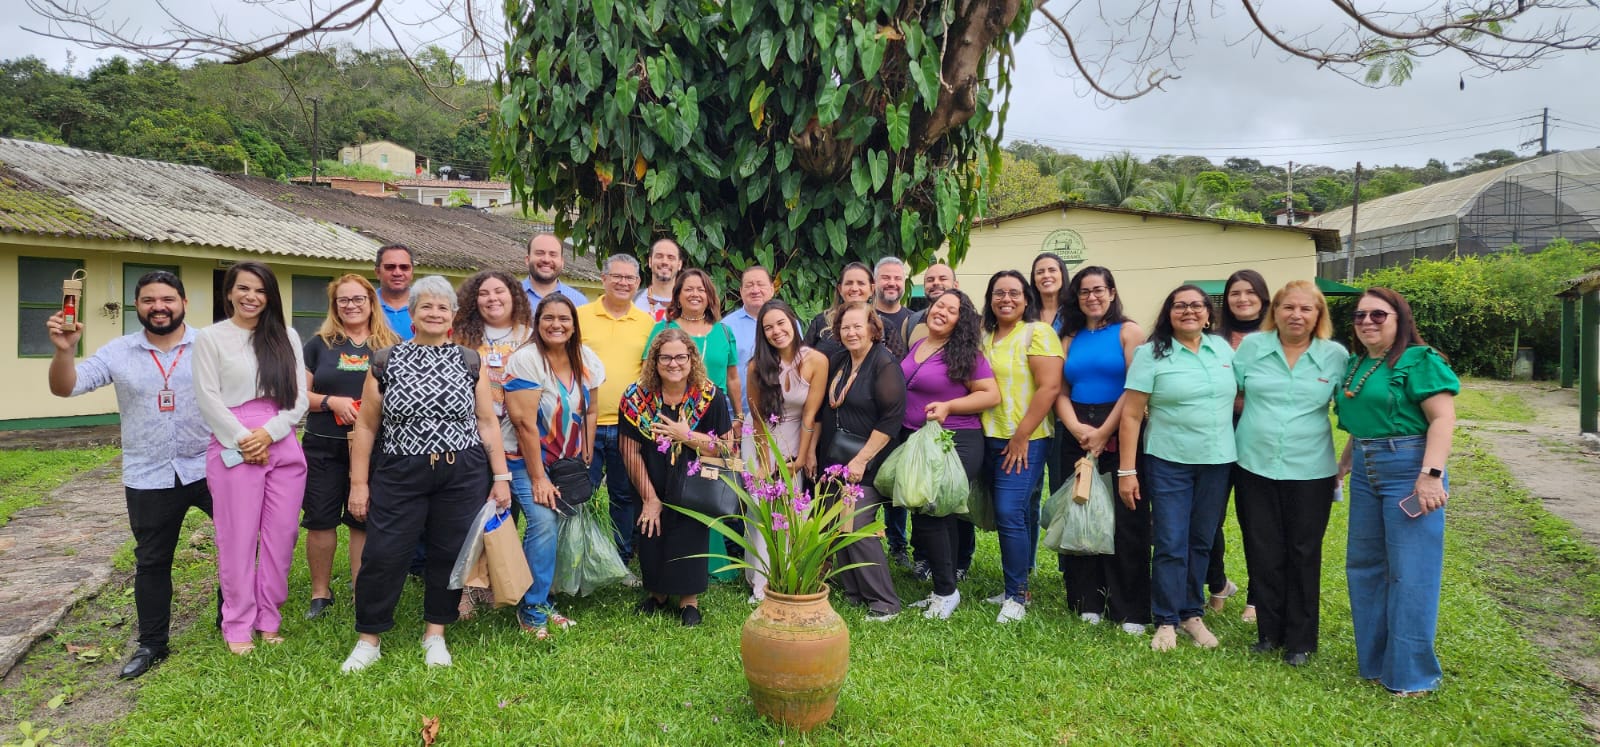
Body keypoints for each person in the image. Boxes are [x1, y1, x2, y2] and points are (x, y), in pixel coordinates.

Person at [46, 270, 217, 679]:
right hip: (149, 474)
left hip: (210, 466)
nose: (159, 307)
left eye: (167, 299)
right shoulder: (118, 352)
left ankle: (232, 618)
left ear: (184, 303)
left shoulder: (210, 347)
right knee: (153, 562)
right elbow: (65, 387)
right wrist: (65, 351)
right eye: (148, 300)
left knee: (239, 544)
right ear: (136, 306)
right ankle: (152, 644)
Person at [340, 276, 514, 672]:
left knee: (448, 554)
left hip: (462, 471)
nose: (434, 313)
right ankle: (369, 638)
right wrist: (359, 483)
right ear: (412, 315)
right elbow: (366, 426)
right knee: (384, 553)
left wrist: (500, 477)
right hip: (400, 471)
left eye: (442, 307)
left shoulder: (470, 361)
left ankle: (435, 633)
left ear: (452, 315)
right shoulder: (385, 361)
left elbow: (487, 422)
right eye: (426, 307)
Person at [1335, 287, 1459, 696]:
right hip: (1368, 470)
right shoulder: (1357, 366)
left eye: (1378, 315)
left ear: (1399, 318)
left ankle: (1411, 675)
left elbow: (1442, 419)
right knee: (1365, 566)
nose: (1367, 322)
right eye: (1359, 316)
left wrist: (1431, 475)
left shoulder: (1419, 361)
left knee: (1411, 572)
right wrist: (1345, 465)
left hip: (1409, 469)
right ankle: (1374, 663)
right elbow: (1365, 424)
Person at [192, 261, 309, 655]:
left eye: (259, 291)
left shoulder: (285, 336)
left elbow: (298, 398)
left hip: (280, 437)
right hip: (232, 441)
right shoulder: (211, 338)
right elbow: (207, 397)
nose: (251, 297)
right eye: (243, 289)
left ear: (269, 296)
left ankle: (269, 618)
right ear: (229, 293)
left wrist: (269, 433)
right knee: (238, 537)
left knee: (282, 535)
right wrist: (245, 438)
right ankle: (237, 623)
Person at [1233, 280, 1347, 667]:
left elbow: (1353, 410)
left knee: (1303, 552)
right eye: (1288, 308)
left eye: (1306, 309)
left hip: (1311, 469)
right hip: (1253, 464)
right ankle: (1269, 633)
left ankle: (1300, 640)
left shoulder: (1335, 356)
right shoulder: (1252, 348)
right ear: (1275, 311)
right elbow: (1228, 391)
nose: (1296, 315)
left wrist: (1345, 466)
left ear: (1318, 316)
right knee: (1263, 550)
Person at [1117, 285, 1236, 652]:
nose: (1189, 311)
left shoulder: (1223, 350)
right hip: (1168, 461)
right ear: (1168, 313)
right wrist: (1126, 471)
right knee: (1170, 541)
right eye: (1180, 305)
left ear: (1208, 313)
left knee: (1201, 540)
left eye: (1196, 305)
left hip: (1217, 461)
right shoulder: (1151, 354)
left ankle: (1191, 615)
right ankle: (1166, 619)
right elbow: (1132, 415)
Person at [1050, 266, 1149, 635]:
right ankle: (1086, 599)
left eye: (1099, 290)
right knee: (1079, 513)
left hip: (1121, 425)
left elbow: (1135, 388)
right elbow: (1058, 390)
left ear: (1111, 292)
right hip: (1075, 428)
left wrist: (1105, 431)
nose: (1092, 297)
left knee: (1127, 517)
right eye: (1084, 291)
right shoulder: (1069, 337)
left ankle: (1129, 608)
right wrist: (1076, 428)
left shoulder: (1129, 332)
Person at [300, 274, 401, 620]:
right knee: (320, 519)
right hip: (323, 446)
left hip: (375, 446)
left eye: (358, 299)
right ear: (334, 306)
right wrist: (331, 402)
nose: (351, 306)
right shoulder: (318, 345)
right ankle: (320, 594)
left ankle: (362, 590)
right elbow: (299, 397)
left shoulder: (392, 346)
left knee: (363, 519)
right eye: (344, 300)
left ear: (372, 302)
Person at [504, 295, 605, 639]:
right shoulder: (526, 360)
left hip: (565, 462)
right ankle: (532, 607)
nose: (556, 325)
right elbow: (523, 424)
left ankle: (543, 597)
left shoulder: (586, 359)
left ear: (575, 325)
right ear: (537, 322)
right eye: (548, 318)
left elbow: (590, 409)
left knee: (558, 525)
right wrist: (537, 478)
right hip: (522, 461)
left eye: (564, 318)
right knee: (544, 521)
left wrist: (587, 450)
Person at [619, 328, 734, 626]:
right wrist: (649, 497)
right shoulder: (635, 398)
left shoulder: (709, 396)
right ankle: (657, 594)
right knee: (651, 531)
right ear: (654, 361)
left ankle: (688, 601)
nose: (674, 363)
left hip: (694, 480)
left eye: (681, 357)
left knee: (688, 535)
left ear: (691, 359)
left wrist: (687, 436)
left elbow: (725, 446)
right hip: (650, 475)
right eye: (666, 357)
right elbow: (629, 450)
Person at [898, 290, 998, 619]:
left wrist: (949, 406)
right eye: (939, 305)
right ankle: (943, 587)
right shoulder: (919, 345)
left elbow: (990, 394)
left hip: (955, 439)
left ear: (961, 321)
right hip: (920, 440)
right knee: (934, 514)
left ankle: (945, 592)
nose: (942, 312)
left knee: (934, 512)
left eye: (952, 310)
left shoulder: (966, 353)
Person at [979, 270, 1063, 624]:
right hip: (988, 435)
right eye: (999, 293)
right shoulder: (984, 336)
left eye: (1014, 293)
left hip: (1025, 439)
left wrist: (1021, 436)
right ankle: (1021, 582)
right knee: (1023, 511)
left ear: (1026, 299)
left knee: (1009, 511)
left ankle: (1015, 596)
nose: (1006, 299)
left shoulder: (1038, 333)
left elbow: (1049, 388)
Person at [451, 269, 534, 616]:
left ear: (514, 295)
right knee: (474, 510)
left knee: (506, 510)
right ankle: (469, 589)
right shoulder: (463, 337)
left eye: (499, 291)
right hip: (473, 435)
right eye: (484, 293)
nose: (492, 298)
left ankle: (498, 579)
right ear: (474, 300)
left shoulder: (529, 336)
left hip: (518, 437)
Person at [820, 302, 906, 621]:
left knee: (856, 525)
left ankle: (884, 602)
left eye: (858, 326)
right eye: (845, 327)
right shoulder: (840, 360)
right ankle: (855, 592)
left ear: (873, 328)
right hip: (840, 458)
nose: (851, 332)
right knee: (838, 525)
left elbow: (891, 420)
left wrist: (861, 460)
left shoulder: (883, 364)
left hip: (869, 462)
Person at [745, 299, 826, 601]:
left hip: (797, 437)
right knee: (762, 509)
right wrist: (766, 463)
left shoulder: (816, 360)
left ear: (793, 320)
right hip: (764, 438)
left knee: (792, 511)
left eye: (781, 323)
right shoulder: (756, 367)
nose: (777, 331)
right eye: (768, 328)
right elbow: (757, 420)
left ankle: (790, 575)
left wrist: (802, 457)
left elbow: (810, 416)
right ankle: (761, 583)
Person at [577, 255, 655, 567]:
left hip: (629, 426)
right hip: (585, 423)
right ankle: (581, 557)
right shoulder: (580, 316)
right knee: (583, 494)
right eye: (617, 277)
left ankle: (621, 559)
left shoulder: (646, 323)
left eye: (630, 278)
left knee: (624, 496)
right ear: (603, 279)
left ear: (638, 283)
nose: (623, 283)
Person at [1209, 269, 1269, 619]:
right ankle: (1217, 582)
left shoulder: (1276, 338)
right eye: (1235, 293)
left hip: (1257, 432)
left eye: (1250, 292)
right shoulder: (1213, 339)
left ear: (1263, 298)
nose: (1242, 299)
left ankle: (1257, 597)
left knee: (1256, 519)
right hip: (1216, 430)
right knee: (1207, 518)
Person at [644, 268, 742, 437]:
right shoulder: (663, 328)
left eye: (701, 290)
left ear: (709, 296)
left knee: (715, 459)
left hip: (715, 412)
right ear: (678, 296)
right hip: (670, 411)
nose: (695, 294)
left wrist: (739, 416)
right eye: (688, 289)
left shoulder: (724, 332)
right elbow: (646, 372)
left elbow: (732, 378)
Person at [871, 257, 914, 567]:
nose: (891, 283)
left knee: (896, 481)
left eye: (897, 278)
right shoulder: (862, 317)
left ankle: (899, 545)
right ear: (875, 282)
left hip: (902, 415)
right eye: (885, 277)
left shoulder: (914, 320)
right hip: (864, 413)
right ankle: (866, 540)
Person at [721, 264, 776, 410]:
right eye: (749, 285)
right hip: (736, 413)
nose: (755, 290)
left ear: (772, 289)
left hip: (780, 412)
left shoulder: (789, 324)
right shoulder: (726, 326)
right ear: (740, 291)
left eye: (760, 284)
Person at [806, 262, 875, 359]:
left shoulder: (884, 326)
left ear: (872, 289)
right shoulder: (821, 321)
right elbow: (801, 360)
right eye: (848, 283)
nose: (854, 288)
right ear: (840, 289)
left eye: (861, 283)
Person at [901, 262, 959, 350]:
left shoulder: (973, 323)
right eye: (930, 280)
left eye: (943, 279)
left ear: (956, 285)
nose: (935, 283)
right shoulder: (911, 322)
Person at [523, 233, 590, 308]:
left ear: (562, 262)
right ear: (527, 260)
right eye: (540, 253)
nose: (546, 259)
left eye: (553, 255)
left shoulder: (579, 302)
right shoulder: (511, 297)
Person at [636, 238, 683, 322]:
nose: (665, 261)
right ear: (650, 262)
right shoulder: (633, 300)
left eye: (671, 258)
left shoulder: (689, 303)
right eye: (659, 256)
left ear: (679, 264)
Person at [375, 244, 416, 340]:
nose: (397, 273)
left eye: (404, 267)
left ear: (412, 273)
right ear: (377, 272)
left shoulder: (428, 308)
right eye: (390, 267)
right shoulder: (365, 306)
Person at [1032, 253, 1071, 335]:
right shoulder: (1026, 313)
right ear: (1034, 280)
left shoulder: (1074, 311)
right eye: (1040, 272)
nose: (1046, 275)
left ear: (1062, 275)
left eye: (1052, 270)